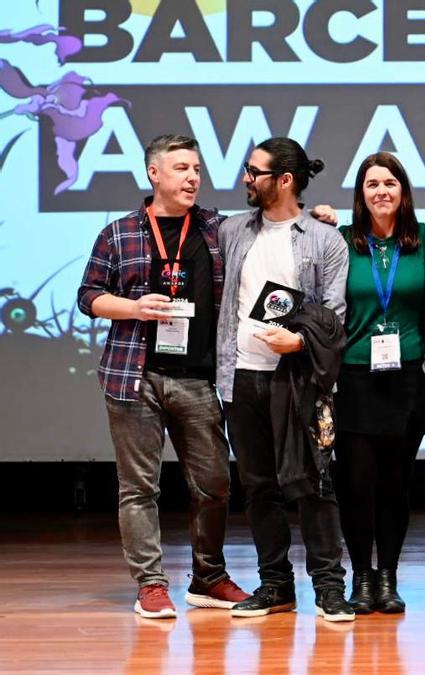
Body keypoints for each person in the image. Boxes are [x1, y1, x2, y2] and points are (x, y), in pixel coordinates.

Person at [76, 134, 250, 619]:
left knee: (214, 482)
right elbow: (88, 296)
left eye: (196, 168)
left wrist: (317, 217)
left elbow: (274, 228)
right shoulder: (120, 232)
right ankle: (151, 584)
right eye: (181, 168)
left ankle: (208, 577)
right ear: (154, 174)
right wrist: (133, 307)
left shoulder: (218, 228)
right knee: (139, 487)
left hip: (197, 377)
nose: (192, 177)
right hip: (135, 376)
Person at [216, 137, 355, 622]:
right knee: (258, 487)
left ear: (285, 180)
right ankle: (275, 584)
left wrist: (299, 343)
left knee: (313, 482)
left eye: (255, 172)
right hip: (243, 377)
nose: (246, 179)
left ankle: (330, 588)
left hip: (297, 378)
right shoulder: (233, 230)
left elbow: (335, 314)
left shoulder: (323, 238)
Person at [331, 152, 425, 614]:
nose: (381, 192)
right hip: (354, 375)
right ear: (361, 195)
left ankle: (388, 577)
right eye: (372, 184)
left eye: (390, 183)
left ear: (404, 191)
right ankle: (361, 577)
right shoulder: (341, 242)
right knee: (356, 483)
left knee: (396, 483)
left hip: (409, 376)